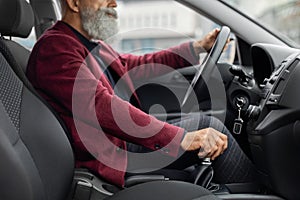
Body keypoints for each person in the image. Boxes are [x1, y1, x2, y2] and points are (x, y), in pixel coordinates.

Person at [26, 0, 256, 187]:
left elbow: (134, 65)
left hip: (123, 140)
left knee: (208, 125)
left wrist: (196, 48)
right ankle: (257, 191)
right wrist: (180, 138)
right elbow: (101, 105)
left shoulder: (89, 44)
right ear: (75, 3)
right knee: (210, 127)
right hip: (113, 154)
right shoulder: (55, 49)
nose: (114, 3)